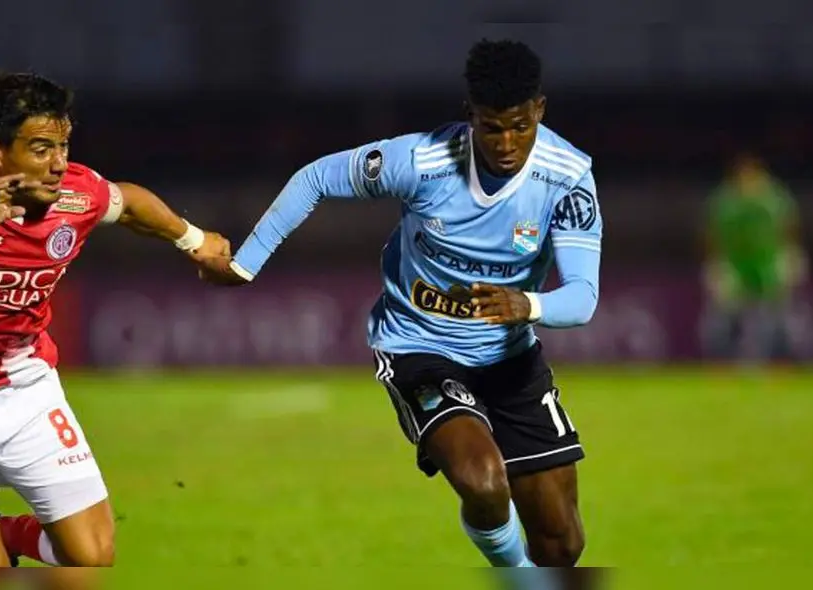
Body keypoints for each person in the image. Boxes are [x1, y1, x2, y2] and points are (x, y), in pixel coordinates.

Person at [200, 39, 601, 573]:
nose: (507, 142)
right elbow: (317, 178)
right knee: (483, 482)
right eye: (492, 126)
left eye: (520, 126)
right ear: (470, 116)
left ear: (540, 111)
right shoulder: (422, 161)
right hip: (419, 348)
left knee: (562, 546)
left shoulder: (567, 177)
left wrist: (526, 304)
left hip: (511, 360)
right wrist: (246, 263)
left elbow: (583, 297)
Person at [0, 71, 231, 568]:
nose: (58, 164)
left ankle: (0, 532)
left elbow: (129, 202)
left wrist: (193, 240)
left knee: (92, 558)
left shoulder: (76, 193)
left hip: (23, 394)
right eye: (40, 148)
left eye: (63, 145)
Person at [701, 152, 805, 361]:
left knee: (775, 317)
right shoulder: (726, 201)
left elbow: (790, 226)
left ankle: (783, 361)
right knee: (722, 316)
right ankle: (717, 360)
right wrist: (715, 262)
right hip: (735, 266)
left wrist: (790, 256)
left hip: (768, 264)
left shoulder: (774, 198)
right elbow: (711, 233)